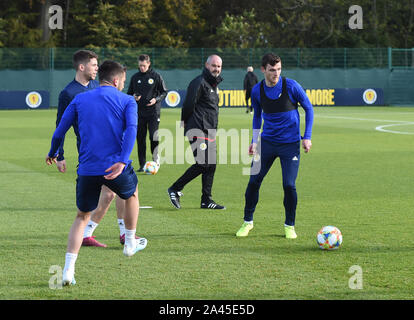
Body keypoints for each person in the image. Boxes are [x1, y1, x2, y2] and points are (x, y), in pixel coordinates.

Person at [46, 60, 147, 286]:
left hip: (87, 168)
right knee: (131, 194)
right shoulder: (128, 100)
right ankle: (130, 242)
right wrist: (122, 161)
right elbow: (132, 130)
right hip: (114, 167)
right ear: (115, 80)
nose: (123, 85)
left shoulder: (80, 98)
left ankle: (68, 271)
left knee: (81, 216)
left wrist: (53, 152)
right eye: (122, 81)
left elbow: (60, 130)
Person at [236, 53, 314, 239]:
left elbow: (309, 108)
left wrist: (307, 136)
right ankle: (247, 222)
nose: (276, 73)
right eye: (272, 70)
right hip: (267, 143)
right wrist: (254, 141)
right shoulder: (257, 91)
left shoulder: (292, 86)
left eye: (279, 69)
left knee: (289, 185)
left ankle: (289, 225)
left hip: (290, 145)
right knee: (253, 181)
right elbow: (256, 116)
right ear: (263, 70)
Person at [56, 49, 127, 248]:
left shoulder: (98, 86)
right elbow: (61, 125)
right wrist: (59, 154)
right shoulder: (69, 93)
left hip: (111, 147)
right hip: (91, 152)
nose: (97, 68)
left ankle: (109, 234)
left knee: (115, 192)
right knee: (116, 191)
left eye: (97, 65)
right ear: (81, 67)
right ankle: (121, 234)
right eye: (94, 65)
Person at [167, 54, 225, 210]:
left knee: (211, 164)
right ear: (207, 65)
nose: (216, 69)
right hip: (197, 128)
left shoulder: (214, 85)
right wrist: (184, 122)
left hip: (209, 130)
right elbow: (188, 104)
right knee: (203, 163)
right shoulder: (199, 82)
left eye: (219, 66)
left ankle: (206, 200)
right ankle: (175, 188)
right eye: (214, 66)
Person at [127, 54, 168, 171]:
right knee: (140, 138)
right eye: (140, 66)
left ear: (149, 64)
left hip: (153, 113)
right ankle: (142, 164)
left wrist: (156, 100)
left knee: (153, 136)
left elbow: (164, 92)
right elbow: (130, 93)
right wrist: (134, 97)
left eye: (144, 65)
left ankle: (156, 159)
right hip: (139, 113)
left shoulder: (156, 76)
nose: (142, 68)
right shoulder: (135, 77)